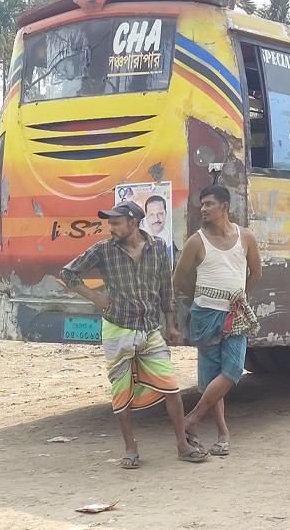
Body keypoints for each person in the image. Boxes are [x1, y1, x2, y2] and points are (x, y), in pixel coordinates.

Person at [60, 200, 209, 468]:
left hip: (150, 329)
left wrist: (171, 325)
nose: (111, 228)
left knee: (171, 387)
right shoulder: (104, 250)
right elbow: (68, 273)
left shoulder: (159, 249)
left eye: (116, 223)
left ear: (133, 223)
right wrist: (96, 297)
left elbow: (167, 290)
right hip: (117, 328)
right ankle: (131, 448)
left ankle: (182, 445)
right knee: (120, 391)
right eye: (110, 223)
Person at [174, 185, 263, 457]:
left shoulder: (245, 237)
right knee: (213, 376)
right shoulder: (196, 241)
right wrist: (202, 296)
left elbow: (256, 272)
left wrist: (240, 297)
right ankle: (223, 434)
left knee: (233, 369)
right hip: (205, 315)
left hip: (235, 313)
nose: (204, 209)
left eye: (210, 204)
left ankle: (192, 419)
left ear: (225, 207)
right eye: (202, 204)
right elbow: (179, 279)